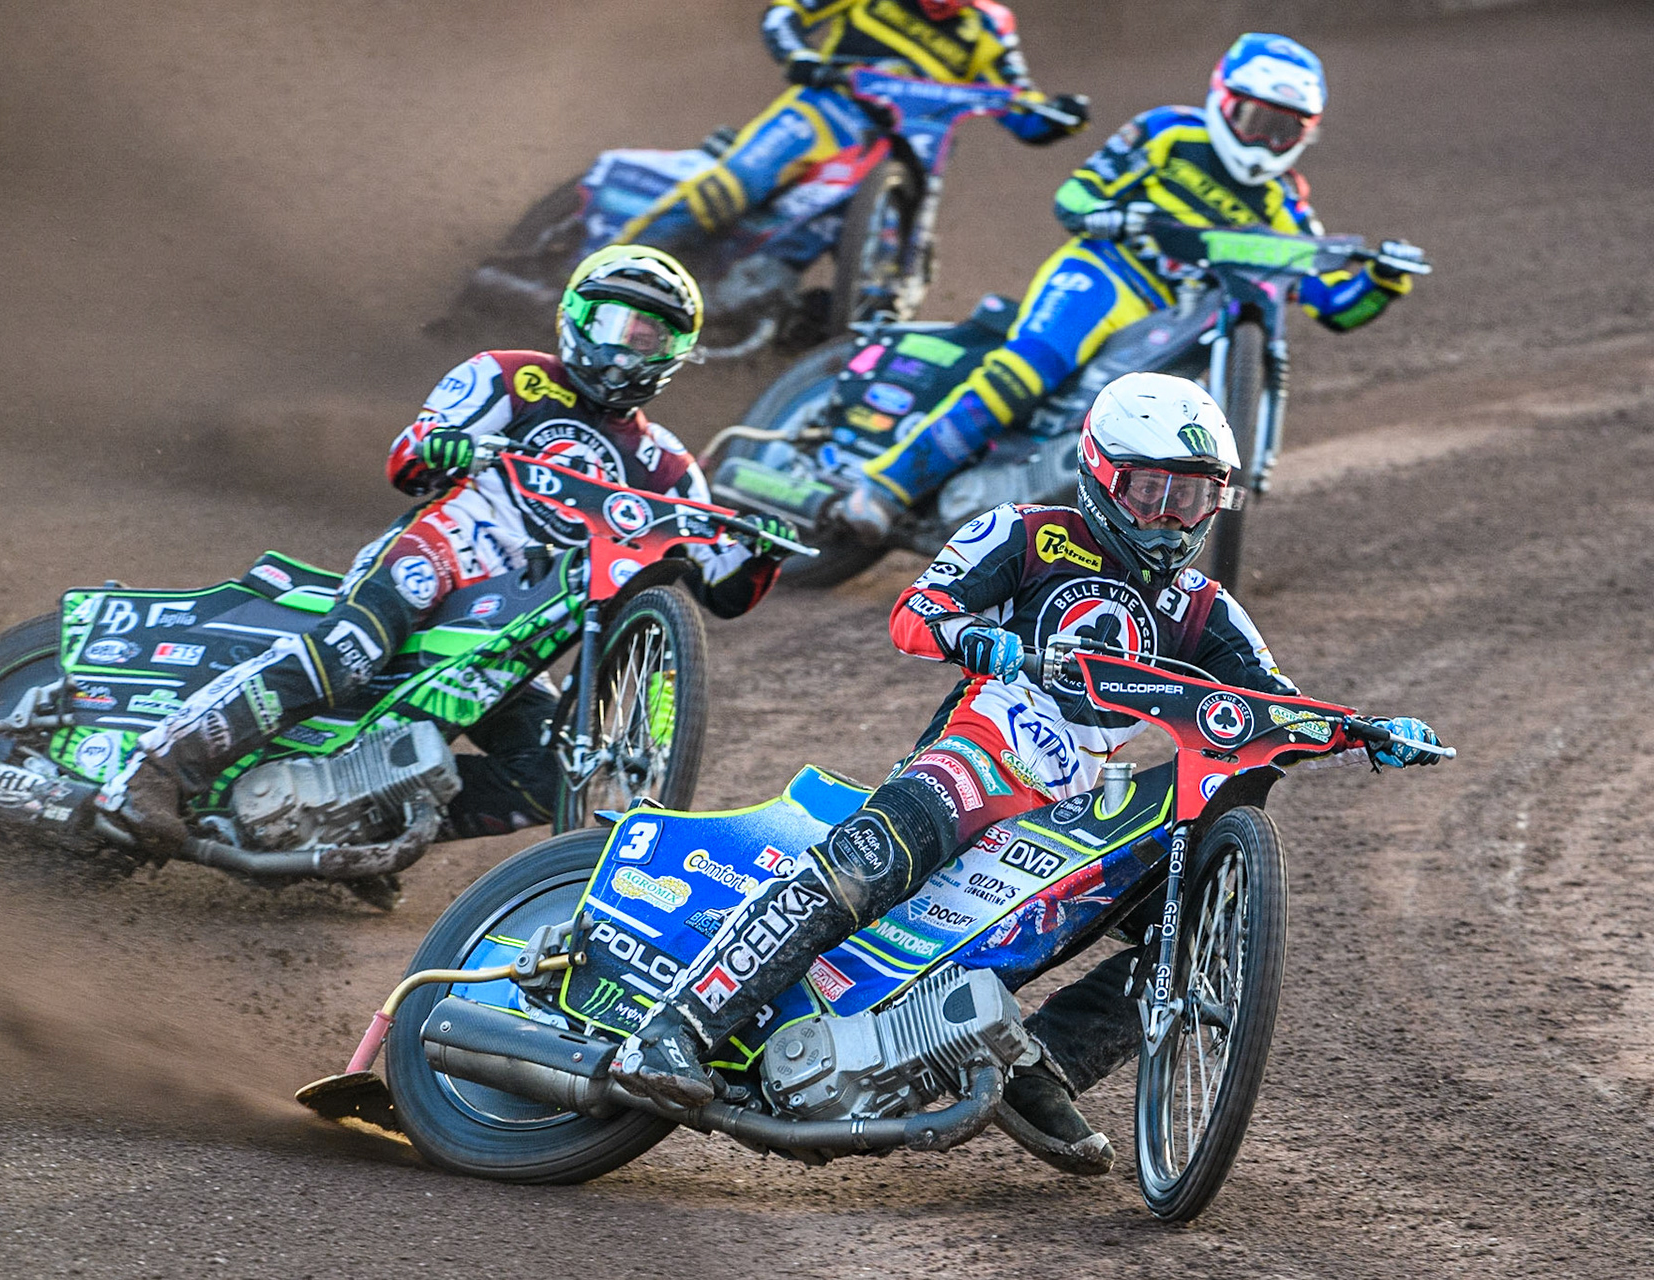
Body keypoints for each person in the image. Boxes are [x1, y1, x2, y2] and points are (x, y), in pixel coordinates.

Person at [610, 371, 1446, 1175]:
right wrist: (969, 635)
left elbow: (1274, 702)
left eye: (1191, 498)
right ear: (1097, 472)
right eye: (1150, 492)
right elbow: (914, 611)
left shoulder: (1203, 608)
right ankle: (676, 1026)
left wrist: (1364, 731)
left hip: (1079, 809)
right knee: (872, 856)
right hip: (979, 753)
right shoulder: (1022, 532)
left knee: (1187, 919)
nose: (1167, 519)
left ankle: (1043, 1068)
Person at [104, 246, 798, 849]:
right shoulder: (511, 375)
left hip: (521, 620)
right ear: (577, 318)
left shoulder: (666, 462)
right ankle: (157, 768)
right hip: (440, 556)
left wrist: (761, 549)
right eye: (614, 324)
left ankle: (367, 821)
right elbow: (411, 456)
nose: (624, 349)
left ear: (674, 354)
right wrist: (446, 442)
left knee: (544, 777)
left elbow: (721, 583)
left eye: (648, 338)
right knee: (347, 653)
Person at [839, 31, 1422, 540]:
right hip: (1106, 273)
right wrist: (1111, 216)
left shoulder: (1287, 210)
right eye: (1255, 122)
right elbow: (1074, 197)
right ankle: (886, 486)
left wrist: (1384, 281)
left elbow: (1333, 305)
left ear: (1305, 134)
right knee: (1028, 369)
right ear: (1224, 103)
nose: (1264, 141)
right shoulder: (1165, 132)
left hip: (1171, 322)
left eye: (1284, 130)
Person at [617, 0, 1088, 260]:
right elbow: (785, 13)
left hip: (906, 148)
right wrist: (800, 56)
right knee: (731, 188)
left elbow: (1017, 103)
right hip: (827, 109)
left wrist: (1058, 115)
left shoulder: (990, 25)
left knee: (885, 251)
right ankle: (614, 264)